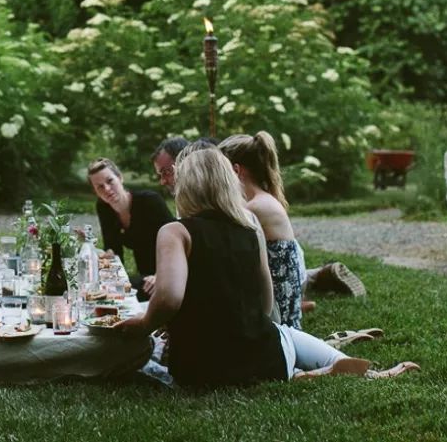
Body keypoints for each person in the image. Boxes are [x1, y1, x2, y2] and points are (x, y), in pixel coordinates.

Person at [115, 149, 418, 387]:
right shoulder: (249, 228)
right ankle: (334, 366)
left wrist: (144, 325)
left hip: (198, 369)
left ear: (186, 185)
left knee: (143, 355)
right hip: (265, 359)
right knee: (283, 332)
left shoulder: (175, 231)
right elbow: (265, 301)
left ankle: (307, 372)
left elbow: (168, 299)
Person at [219, 132, 305, 329]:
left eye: (220, 172)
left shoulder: (255, 207)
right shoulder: (258, 200)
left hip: (276, 315)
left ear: (236, 170)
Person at [87, 157, 174, 301]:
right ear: (95, 192)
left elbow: (175, 244)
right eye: (100, 187)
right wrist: (103, 255)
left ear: (120, 178)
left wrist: (160, 275)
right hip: (144, 277)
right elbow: (113, 250)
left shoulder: (150, 201)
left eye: (110, 181)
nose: (107, 189)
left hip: (170, 273)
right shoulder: (104, 207)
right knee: (102, 294)